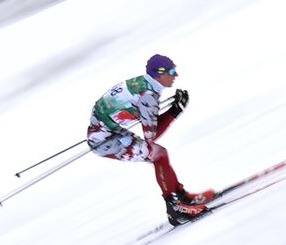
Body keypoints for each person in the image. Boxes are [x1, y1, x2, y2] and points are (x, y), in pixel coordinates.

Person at [87, 54, 214, 225]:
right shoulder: (148, 95)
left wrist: (172, 110)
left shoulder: (144, 84)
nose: (176, 75)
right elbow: (151, 136)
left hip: (108, 131)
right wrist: (174, 111)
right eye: (172, 71)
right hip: (105, 140)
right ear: (159, 74)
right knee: (158, 154)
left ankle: (181, 198)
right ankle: (176, 208)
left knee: (160, 154)